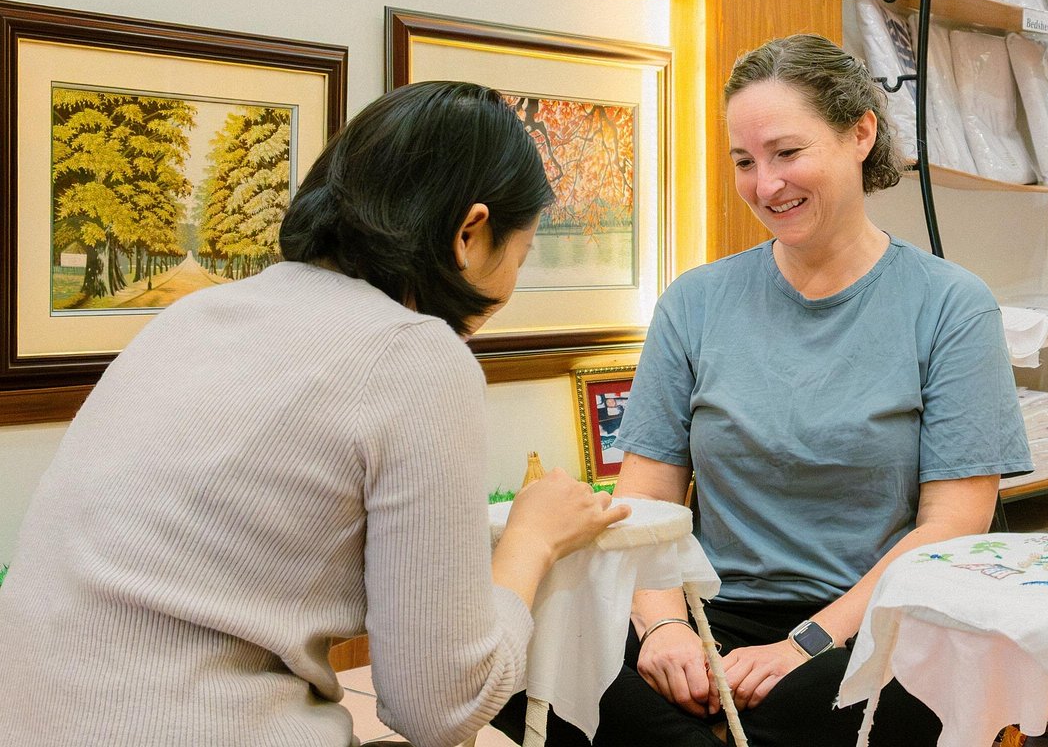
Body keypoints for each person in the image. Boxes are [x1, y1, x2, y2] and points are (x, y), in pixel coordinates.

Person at [0, 82, 629, 747]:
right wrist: (532, 538)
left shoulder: (192, 317)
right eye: (522, 254)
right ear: (471, 233)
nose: (510, 286)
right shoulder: (415, 356)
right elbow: (439, 706)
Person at [493, 34, 1032, 747]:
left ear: (860, 134)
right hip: (710, 607)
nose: (765, 185)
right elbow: (645, 501)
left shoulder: (950, 305)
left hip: (873, 619)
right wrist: (663, 628)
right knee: (508, 659)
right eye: (744, 162)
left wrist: (806, 645)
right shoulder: (696, 301)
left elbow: (953, 524)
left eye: (787, 153)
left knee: (883, 695)